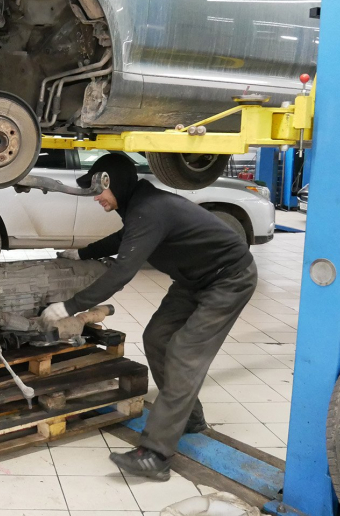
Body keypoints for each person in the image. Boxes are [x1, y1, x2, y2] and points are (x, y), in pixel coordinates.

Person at [42, 153, 257, 482]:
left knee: (185, 351)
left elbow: (122, 272)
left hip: (228, 280)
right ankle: (190, 418)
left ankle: (155, 454)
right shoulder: (139, 206)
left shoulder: (150, 209)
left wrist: (70, 306)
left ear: (115, 182)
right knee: (156, 337)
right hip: (193, 280)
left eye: (99, 189)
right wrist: (82, 253)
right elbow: (124, 239)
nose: (96, 197)